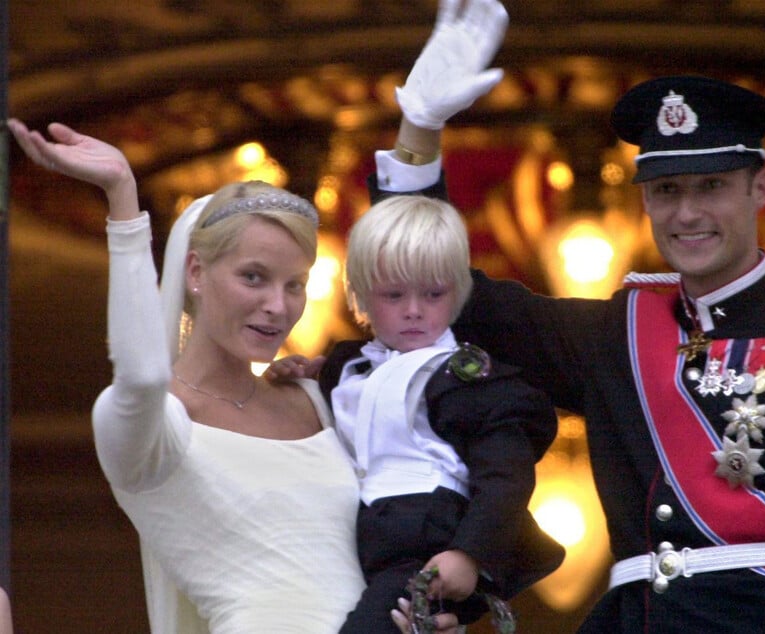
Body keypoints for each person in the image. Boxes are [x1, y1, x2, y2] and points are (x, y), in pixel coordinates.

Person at [359, 55, 765, 634]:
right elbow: (445, 293)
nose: (687, 213)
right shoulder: (617, 335)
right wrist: (418, 139)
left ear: (759, 186)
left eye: (711, 186)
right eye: (666, 190)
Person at [6, 119, 465, 634]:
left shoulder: (314, 398)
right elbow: (140, 374)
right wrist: (123, 201)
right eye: (254, 277)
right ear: (196, 272)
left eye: (296, 285)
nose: (278, 306)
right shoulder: (154, 428)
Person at [320, 195, 564, 633]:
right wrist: (304, 368)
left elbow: (506, 480)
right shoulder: (348, 365)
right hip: (354, 540)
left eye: (433, 293)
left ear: (458, 294)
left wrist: (469, 553)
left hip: (424, 547)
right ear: (358, 293)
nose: (414, 309)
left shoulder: (470, 380)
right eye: (394, 294)